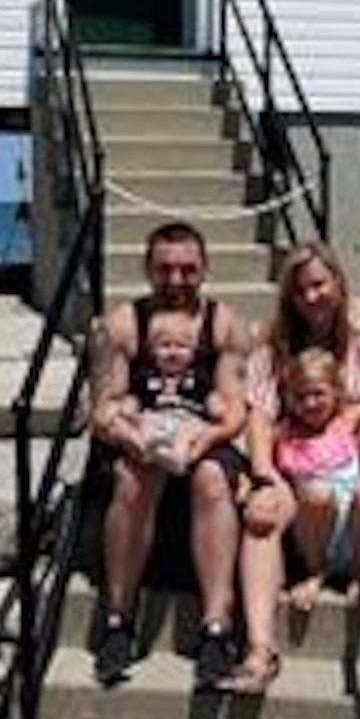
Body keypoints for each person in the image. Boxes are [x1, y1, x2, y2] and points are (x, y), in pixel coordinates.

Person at [230, 240, 360, 694]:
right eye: (300, 289)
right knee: (262, 517)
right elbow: (259, 416)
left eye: (319, 285)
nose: (312, 297)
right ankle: (259, 650)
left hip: (358, 473)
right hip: (298, 470)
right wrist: (263, 475)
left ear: (339, 283)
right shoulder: (274, 349)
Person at [89, 220, 250, 690]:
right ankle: (119, 618)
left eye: (187, 270)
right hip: (141, 437)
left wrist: (207, 435)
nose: (176, 280)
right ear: (147, 269)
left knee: (212, 480)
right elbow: (102, 407)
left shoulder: (225, 324)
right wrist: (126, 433)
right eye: (165, 270)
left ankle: (216, 625)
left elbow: (235, 407)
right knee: (134, 478)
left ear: (205, 270)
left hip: (201, 437)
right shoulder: (123, 325)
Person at [269, 346, 360, 613]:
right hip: (313, 537)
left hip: (355, 532)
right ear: (289, 398)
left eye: (318, 394)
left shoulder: (346, 421)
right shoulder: (284, 432)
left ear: (337, 392)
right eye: (301, 396)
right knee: (317, 492)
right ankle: (316, 574)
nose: (310, 403)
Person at [113, 305, 230, 475]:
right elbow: (136, 398)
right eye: (165, 346)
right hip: (156, 418)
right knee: (136, 424)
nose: (173, 352)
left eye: (181, 347)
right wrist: (128, 408)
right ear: (153, 351)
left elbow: (209, 398)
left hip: (187, 417)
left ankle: (179, 457)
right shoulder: (147, 378)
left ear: (192, 352)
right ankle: (148, 448)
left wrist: (216, 405)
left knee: (193, 430)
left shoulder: (198, 378)